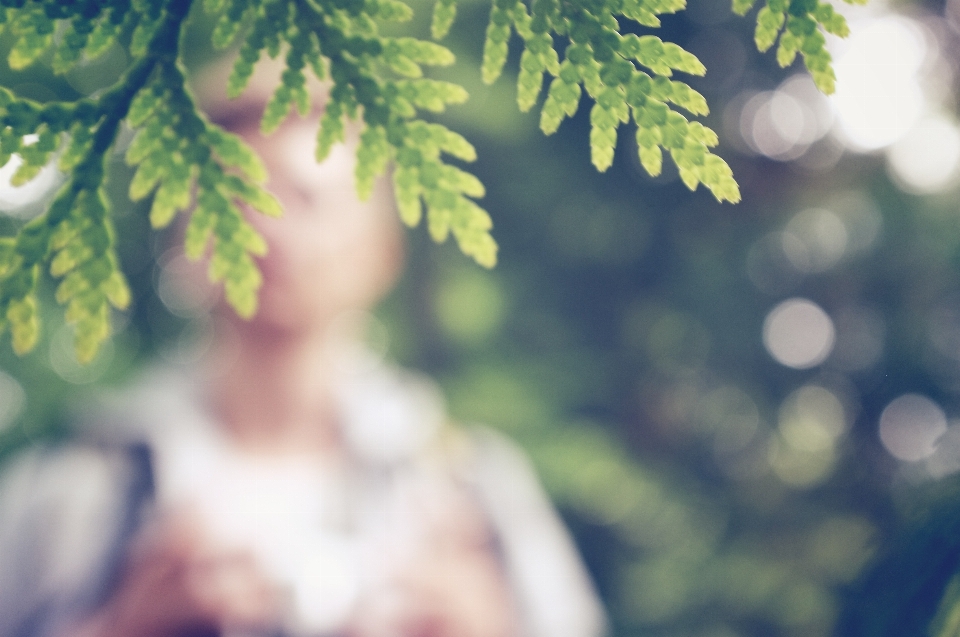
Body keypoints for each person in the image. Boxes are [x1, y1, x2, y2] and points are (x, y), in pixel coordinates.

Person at [0, 58, 607, 637]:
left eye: (308, 198)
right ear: (186, 237)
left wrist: (490, 627)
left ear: (382, 251)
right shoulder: (76, 491)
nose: (269, 224)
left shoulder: (471, 491)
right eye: (236, 194)